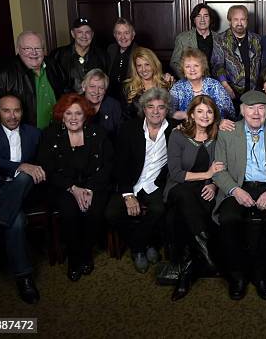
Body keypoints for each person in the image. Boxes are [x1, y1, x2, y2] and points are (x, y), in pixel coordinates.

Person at [212, 91, 266, 301]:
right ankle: (237, 276)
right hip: (238, 184)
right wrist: (235, 191)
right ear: (242, 110)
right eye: (250, 108)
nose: (256, 112)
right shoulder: (228, 132)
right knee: (228, 218)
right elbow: (218, 170)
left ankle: (261, 274)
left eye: (261, 107)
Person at [0, 95, 44, 304]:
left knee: (25, 176)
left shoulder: (34, 133)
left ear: (22, 111)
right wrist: (20, 166)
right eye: (6, 111)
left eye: (17, 110)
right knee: (17, 221)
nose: (12, 116)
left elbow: (40, 165)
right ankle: (24, 279)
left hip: (26, 191)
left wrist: (28, 170)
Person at [37, 93, 113, 282]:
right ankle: (74, 257)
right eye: (68, 113)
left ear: (85, 115)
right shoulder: (50, 134)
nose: (73, 118)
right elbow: (47, 168)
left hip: (94, 186)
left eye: (78, 113)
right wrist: (73, 188)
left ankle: (86, 253)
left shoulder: (98, 133)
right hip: (63, 186)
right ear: (61, 115)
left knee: (94, 212)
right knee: (70, 214)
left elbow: (109, 165)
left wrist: (90, 189)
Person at [163, 95, 224, 301]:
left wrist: (214, 184)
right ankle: (206, 247)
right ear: (191, 114)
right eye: (200, 111)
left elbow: (223, 167)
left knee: (180, 216)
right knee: (184, 195)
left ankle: (186, 272)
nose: (205, 116)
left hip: (206, 190)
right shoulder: (178, 136)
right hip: (179, 187)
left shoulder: (219, 137)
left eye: (209, 111)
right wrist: (207, 175)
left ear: (214, 115)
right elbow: (176, 174)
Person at [105, 88, 172, 274]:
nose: (156, 111)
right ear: (144, 108)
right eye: (150, 107)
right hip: (131, 182)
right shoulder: (129, 129)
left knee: (159, 209)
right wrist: (127, 195)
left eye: (161, 107)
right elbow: (119, 165)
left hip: (156, 184)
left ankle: (138, 247)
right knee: (111, 213)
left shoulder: (175, 130)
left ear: (167, 109)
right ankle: (143, 245)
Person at [0, 31, 69, 131]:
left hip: (57, 131)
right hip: (26, 136)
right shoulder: (5, 75)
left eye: (38, 48)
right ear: (18, 50)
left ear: (44, 50)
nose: (34, 53)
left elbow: (67, 93)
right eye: (27, 48)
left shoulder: (53, 66)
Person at [169, 48, 235, 121]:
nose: (192, 70)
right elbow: (168, 111)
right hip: (188, 128)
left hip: (215, 126)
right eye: (188, 66)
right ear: (183, 71)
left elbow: (229, 111)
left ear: (203, 69)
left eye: (196, 66)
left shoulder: (214, 85)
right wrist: (186, 114)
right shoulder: (178, 87)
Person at [216, 5, 261, 102]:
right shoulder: (220, 39)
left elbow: (261, 64)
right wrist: (226, 87)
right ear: (230, 21)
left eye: (243, 19)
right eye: (236, 19)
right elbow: (218, 66)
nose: (239, 23)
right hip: (231, 93)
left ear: (247, 21)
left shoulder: (256, 39)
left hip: (253, 93)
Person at [50, 17, 109, 93]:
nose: (84, 36)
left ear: (92, 34)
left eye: (87, 32)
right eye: (80, 32)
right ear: (73, 34)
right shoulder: (57, 55)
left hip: (94, 102)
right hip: (69, 102)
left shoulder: (103, 56)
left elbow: (106, 84)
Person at [169, 4, 225, 78]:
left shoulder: (220, 38)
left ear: (210, 19)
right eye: (198, 16)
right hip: (190, 81)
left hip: (216, 82)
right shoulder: (183, 38)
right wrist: (187, 78)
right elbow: (174, 63)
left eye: (206, 16)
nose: (202, 19)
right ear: (194, 20)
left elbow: (224, 65)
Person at [123, 47, 173, 119]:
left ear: (154, 64)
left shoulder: (166, 84)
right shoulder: (129, 88)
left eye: (147, 64)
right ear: (135, 68)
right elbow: (126, 118)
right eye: (139, 66)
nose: (144, 70)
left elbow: (171, 113)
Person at [81, 68, 123, 140]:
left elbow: (120, 135)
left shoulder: (113, 105)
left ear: (105, 90)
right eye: (92, 86)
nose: (96, 91)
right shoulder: (75, 104)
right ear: (84, 87)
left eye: (101, 88)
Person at [107, 17, 138, 102]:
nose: (123, 37)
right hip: (110, 98)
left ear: (133, 34)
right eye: (119, 33)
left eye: (126, 33)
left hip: (130, 99)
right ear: (114, 35)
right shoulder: (110, 49)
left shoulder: (139, 52)